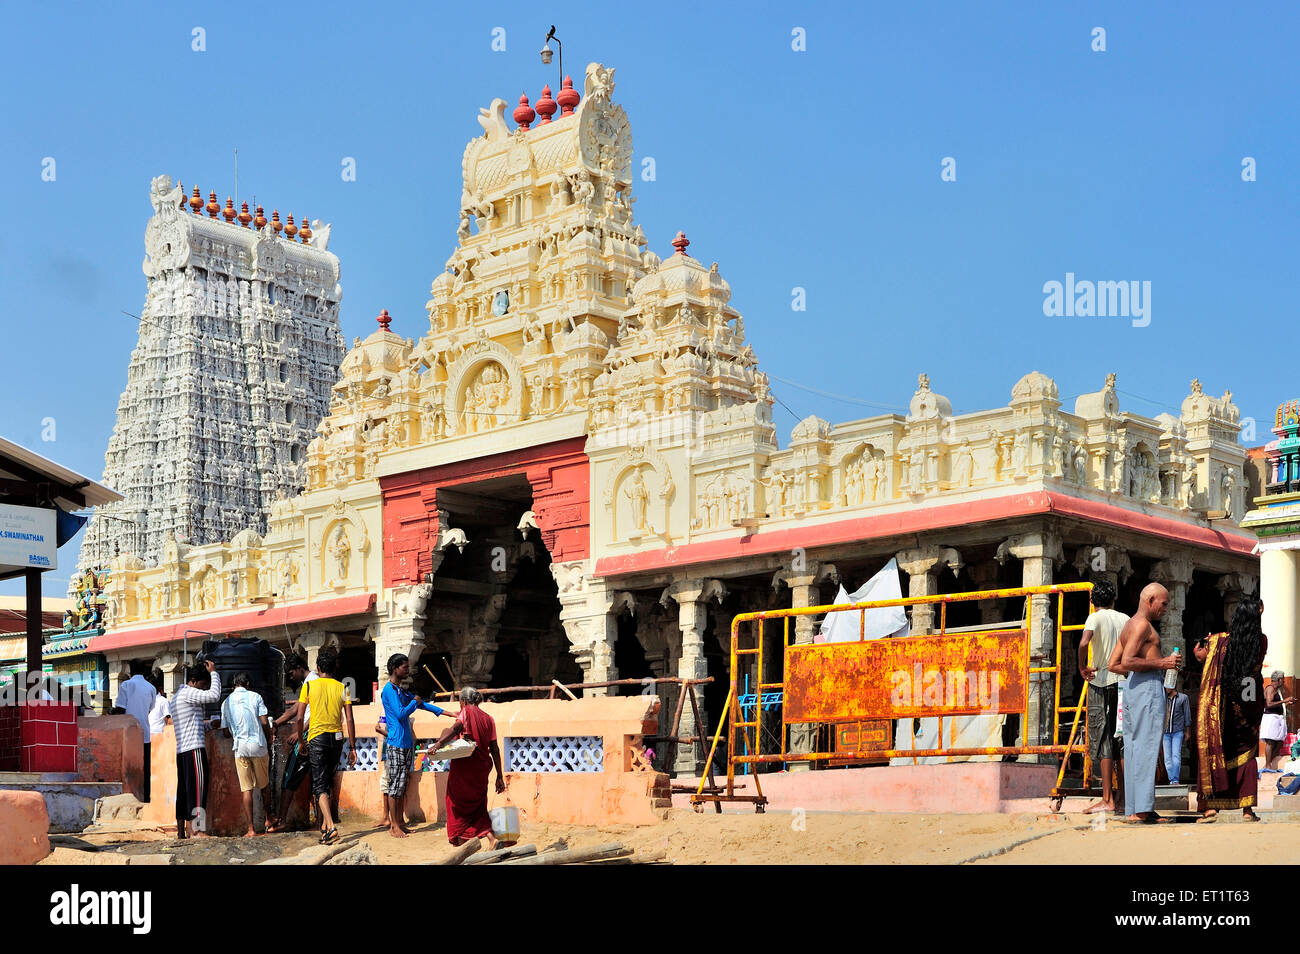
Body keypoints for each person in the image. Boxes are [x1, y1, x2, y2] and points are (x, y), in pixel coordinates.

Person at [1194, 602, 1268, 821]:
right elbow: (1249, 674)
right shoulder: (1261, 641)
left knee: (1216, 749)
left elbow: (1199, 655)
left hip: (1223, 705)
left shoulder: (1219, 641)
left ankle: (1210, 807)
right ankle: (1247, 810)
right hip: (1249, 699)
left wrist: (1204, 647)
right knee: (1247, 752)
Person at [1117, 582, 1179, 823]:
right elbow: (1128, 660)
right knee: (1147, 746)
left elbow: (1114, 664)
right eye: (1163, 604)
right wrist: (1163, 663)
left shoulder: (1129, 625)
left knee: (1133, 747)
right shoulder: (1143, 625)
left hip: (1133, 687)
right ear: (1150, 600)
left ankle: (1134, 808)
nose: (1165, 608)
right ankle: (1142, 809)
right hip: (1147, 686)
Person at [380, 653, 454, 838]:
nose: (408, 670)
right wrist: (415, 702)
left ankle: (400, 822)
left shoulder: (401, 690)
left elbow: (424, 706)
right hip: (396, 743)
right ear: (395, 668)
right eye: (404, 667)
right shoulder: (389, 690)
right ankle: (394, 825)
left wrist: (448, 713)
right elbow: (400, 714)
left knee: (402, 785)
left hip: (406, 744)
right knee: (395, 786)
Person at [293, 649, 354, 844]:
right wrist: (352, 747)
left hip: (317, 738)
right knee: (326, 781)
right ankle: (326, 828)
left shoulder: (309, 687)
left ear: (318, 668)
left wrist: (301, 742)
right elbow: (350, 719)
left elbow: (300, 717)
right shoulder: (343, 688)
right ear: (334, 668)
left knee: (319, 785)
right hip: (337, 739)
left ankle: (331, 826)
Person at [433, 687, 506, 849]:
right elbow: (495, 749)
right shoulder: (489, 719)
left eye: (460, 703)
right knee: (478, 807)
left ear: (464, 701)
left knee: (456, 805)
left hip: (465, 769)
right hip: (481, 770)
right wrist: (499, 775)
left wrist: (438, 744)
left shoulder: (466, 712)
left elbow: (455, 729)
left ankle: (463, 845)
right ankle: (492, 839)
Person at [1078, 580, 1128, 813]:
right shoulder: (1125, 619)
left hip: (1099, 681)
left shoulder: (1094, 618)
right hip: (1123, 682)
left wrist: (1082, 667)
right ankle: (1125, 799)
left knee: (1103, 738)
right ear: (1113, 599)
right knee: (1122, 740)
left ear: (1092, 601)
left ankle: (1107, 799)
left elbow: (1083, 643)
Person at [220, 672, 276, 837]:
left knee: (247, 789)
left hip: (240, 748)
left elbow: (225, 732)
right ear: (248, 684)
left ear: (233, 686)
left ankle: (250, 829)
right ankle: (268, 819)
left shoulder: (226, 702)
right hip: (258, 745)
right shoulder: (255, 696)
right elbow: (265, 722)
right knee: (264, 786)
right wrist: (269, 737)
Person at [171, 660, 221, 838]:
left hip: (182, 751)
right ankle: (198, 831)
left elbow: (192, 724)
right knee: (198, 791)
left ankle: (182, 832)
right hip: (194, 750)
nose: (203, 688)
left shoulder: (177, 696)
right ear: (194, 680)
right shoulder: (190, 693)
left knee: (185, 792)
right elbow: (214, 695)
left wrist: (209, 725)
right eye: (203, 684)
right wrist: (213, 672)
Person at [267, 655, 316, 833]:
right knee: (317, 780)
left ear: (298, 668)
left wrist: (299, 732)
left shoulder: (312, 682)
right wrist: (277, 723)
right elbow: (295, 709)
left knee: (289, 778)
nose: (291, 677)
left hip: (308, 737)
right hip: (314, 736)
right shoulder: (309, 682)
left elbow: (316, 711)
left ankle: (282, 820)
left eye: (291, 673)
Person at [114, 670, 158, 803]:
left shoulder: (126, 685)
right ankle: (147, 798)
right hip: (145, 733)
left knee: (128, 768)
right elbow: (150, 709)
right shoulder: (151, 687)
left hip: (129, 734)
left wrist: (112, 713)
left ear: (129, 670)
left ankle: (131, 797)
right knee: (146, 769)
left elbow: (120, 709)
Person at [1261, 671, 1294, 768]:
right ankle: (1267, 765)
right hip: (1271, 718)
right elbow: (1269, 704)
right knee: (1270, 742)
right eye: (1282, 680)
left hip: (1278, 718)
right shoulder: (1270, 689)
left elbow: (1277, 704)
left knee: (1280, 742)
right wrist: (1285, 700)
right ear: (1279, 680)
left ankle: (1268, 763)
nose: (1284, 682)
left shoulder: (1277, 690)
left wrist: (1286, 704)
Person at [1162, 687, 1191, 784]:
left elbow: (1187, 715)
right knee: (1167, 758)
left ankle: (1175, 780)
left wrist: (1187, 731)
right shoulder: (1163, 698)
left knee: (1176, 755)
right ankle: (1172, 779)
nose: (1165, 688)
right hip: (1165, 732)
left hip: (1177, 731)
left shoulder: (1183, 698)